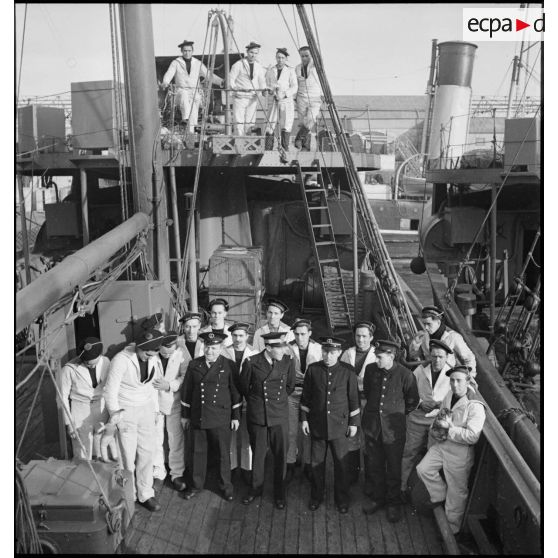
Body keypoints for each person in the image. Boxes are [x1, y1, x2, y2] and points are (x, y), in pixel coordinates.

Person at [416, 365, 486, 534]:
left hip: (460, 454)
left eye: (458, 381)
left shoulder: (475, 405)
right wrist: (437, 429)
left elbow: (473, 436)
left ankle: (452, 529)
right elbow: (442, 413)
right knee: (423, 469)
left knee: (457, 493)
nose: (454, 384)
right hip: (442, 445)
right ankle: (439, 494)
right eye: (452, 380)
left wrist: (449, 429)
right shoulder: (449, 394)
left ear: (468, 381)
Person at [103, 329, 165, 512]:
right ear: (139, 347)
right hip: (126, 410)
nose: (149, 357)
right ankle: (129, 494)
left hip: (146, 409)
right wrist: (116, 417)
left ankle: (146, 493)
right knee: (127, 456)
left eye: (153, 353)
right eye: (146, 353)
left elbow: (152, 387)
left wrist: (154, 410)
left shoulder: (153, 358)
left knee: (147, 452)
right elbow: (110, 392)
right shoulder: (120, 360)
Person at [301, 337, 360, 514]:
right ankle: (316, 496)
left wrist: (354, 423)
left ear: (339, 352)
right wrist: (304, 419)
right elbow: (306, 397)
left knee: (342, 465)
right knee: (316, 463)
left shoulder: (348, 371)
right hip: (317, 425)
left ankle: (342, 499)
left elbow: (353, 399)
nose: (328, 356)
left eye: (332, 352)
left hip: (340, 427)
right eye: (325, 351)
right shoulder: (313, 370)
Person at [361, 340, 419, 523]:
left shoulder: (405, 375)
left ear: (391, 356)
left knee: (394, 467)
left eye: (380, 357)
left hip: (393, 432)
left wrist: (394, 417)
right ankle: (378, 498)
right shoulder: (370, 370)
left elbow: (412, 401)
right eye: (376, 356)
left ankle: (393, 503)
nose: (376, 360)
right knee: (375, 465)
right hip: (373, 428)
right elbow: (369, 392)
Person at [180, 331, 242, 502]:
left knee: (223, 453)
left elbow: (235, 392)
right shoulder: (194, 365)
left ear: (221, 347)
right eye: (208, 347)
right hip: (199, 416)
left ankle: (226, 487)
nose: (210, 351)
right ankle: (196, 485)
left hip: (221, 416)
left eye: (214, 348)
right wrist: (185, 415)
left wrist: (235, 416)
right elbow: (187, 391)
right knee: (197, 453)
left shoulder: (229, 365)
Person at [238, 332, 296, 510]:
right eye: (279, 348)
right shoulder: (252, 362)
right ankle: (255, 489)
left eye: (284, 346)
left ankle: (280, 492)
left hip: (279, 416)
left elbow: (290, 386)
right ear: (269, 348)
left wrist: (275, 403)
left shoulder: (288, 361)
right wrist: (258, 403)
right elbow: (244, 387)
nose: (283, 350)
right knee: (258, 455)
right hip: (259, 416)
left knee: (280, 456)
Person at [400, 339, 453, 496]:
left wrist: (441, 405)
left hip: (438, 421)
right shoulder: (420, 370)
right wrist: (421, 402)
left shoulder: (452, 373)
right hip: (417, 419)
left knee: (435, 456)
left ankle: (429, 494)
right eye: (434, 356)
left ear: (446, 358)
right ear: (430, 355)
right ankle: (402, 487)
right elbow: (408, 391)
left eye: (441, 357)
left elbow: (462, 391)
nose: (437, 360)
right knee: (409, 452)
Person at [58, 337, 111, 460]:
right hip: (80, 409)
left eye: (94, 362)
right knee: (82, 450)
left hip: (101, 407)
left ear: (100, 355)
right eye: (87, 362)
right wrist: (69, 423)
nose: (90, 366)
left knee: (102, 447)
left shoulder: (106, 362)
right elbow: (62, 397)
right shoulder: (69, 368)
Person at [340, 321, 377, 486]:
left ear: (371, 337)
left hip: (369, 402)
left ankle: (370, 478)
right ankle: (351, 474)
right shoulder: (348, 354)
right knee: (351, 436)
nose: (361, 340)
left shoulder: (377, 354)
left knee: (368, 438)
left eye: (364, 336)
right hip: (351, 401)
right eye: (357, 336)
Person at [286, 318, 322, 482]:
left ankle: (308, 463)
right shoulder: (287, 349)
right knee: (291, 431)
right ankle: (291, 462)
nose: (300, 338)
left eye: (303, 334)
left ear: (310, 334)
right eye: (297, 334)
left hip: (311, 396)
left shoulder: (319, 349)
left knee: (308, 432)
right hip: (292, 394)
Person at [161, 40, 224, 133]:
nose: (187, 53)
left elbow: (208, 75)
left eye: (189, 51)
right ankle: (185, 118)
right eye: (185, 51)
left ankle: (191, 137)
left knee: (193, 118)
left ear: (192, 51)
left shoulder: (197, 63)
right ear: (182, 51)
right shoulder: (176, 63)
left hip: (194, 92)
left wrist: (221, 81)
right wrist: (165, 82)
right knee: (184, 96)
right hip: (180, 91)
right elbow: (169, 74)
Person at [221, 322, 257, 482]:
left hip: (247, 399)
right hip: (227, 399)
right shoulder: (223, 352)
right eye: (235, 335)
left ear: (247, 336)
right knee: (230, 435)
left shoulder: (254, 353)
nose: (237, 339)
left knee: (246, 435)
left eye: (241, 335)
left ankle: (246, 468)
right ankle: (232, 467)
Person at [152, 331, 188, 491]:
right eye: (163, 350)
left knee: (176, 439)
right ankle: (158, 473)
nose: (166, 353)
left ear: (176, 345)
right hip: (155, 404)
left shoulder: (181, 354)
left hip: (174, 402)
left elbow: (185, 376)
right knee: (156, 440)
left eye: (170, 350)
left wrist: (170, 385)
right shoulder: (152, 355)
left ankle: (177, 473)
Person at [408, 306, 476, 375]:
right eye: (424, 324)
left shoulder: (453, 337)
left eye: (428, 324)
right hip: (429, 374)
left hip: (447, 377)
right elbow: (414, 357)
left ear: (438, 322)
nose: (426, 328)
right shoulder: (423, 336)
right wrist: (415, 346)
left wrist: (470, 376)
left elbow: (469, 358)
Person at [230, 41, 268, 136]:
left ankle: (247, 143)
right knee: (239, 122)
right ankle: (239, 142)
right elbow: (231, 80)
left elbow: (261, 82)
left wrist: (264, 90)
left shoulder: (259, 67)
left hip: (252, 98)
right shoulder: (238, 65)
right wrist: (236, 89)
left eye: (255, 53)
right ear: (247, 52)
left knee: (250, 122)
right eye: (251, 52)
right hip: (240, 97)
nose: (253, 55)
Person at [265, 48, 298, 151]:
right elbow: (267, 84)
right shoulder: (271, 70)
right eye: (278, 57)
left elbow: (294, 87)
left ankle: (284, 147)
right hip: (274, 100)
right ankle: (268, 147)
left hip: (286, 101)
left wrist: (284, 95)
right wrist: (270, 91)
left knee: (287, 123)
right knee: (271, 122)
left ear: (286, 59)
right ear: (276, 58)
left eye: (282, 58)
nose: (280, 60)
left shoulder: (290, 71)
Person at [294, 46, 323, 150]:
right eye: (302, 56)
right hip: (301, 97)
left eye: (307, 56)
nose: (305, 58)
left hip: (314, 98)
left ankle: (299, 138)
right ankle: (305, 147)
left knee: (311, 119)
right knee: (302, 123)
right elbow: (295, 83)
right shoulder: (297, 68)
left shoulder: (315, 66)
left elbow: (318, 60)